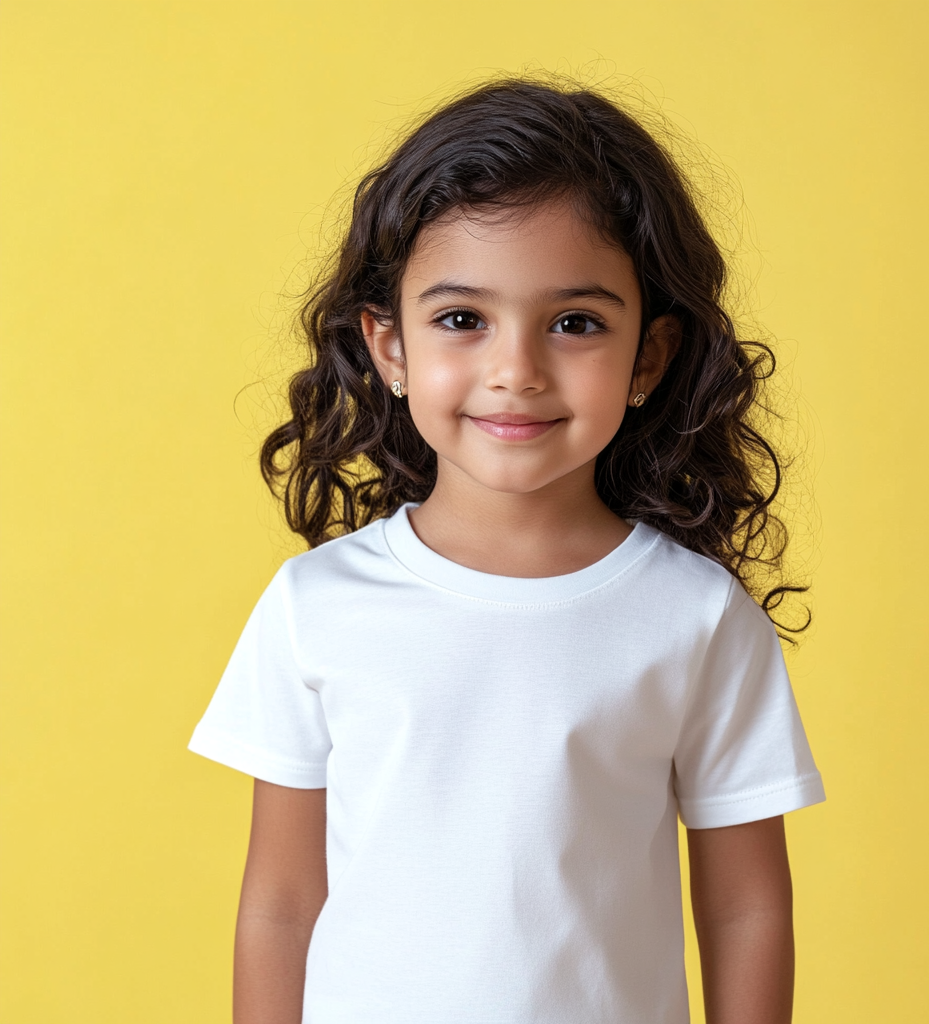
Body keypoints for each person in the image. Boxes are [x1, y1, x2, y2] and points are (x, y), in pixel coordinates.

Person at [189, 77, 825, 1024]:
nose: (516, 371)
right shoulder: (313, 605)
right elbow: (280, 908)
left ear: (647, 358)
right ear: (389, 347)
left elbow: (744, 908)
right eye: (461, 319)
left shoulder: (694, 616)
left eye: (575, 323)